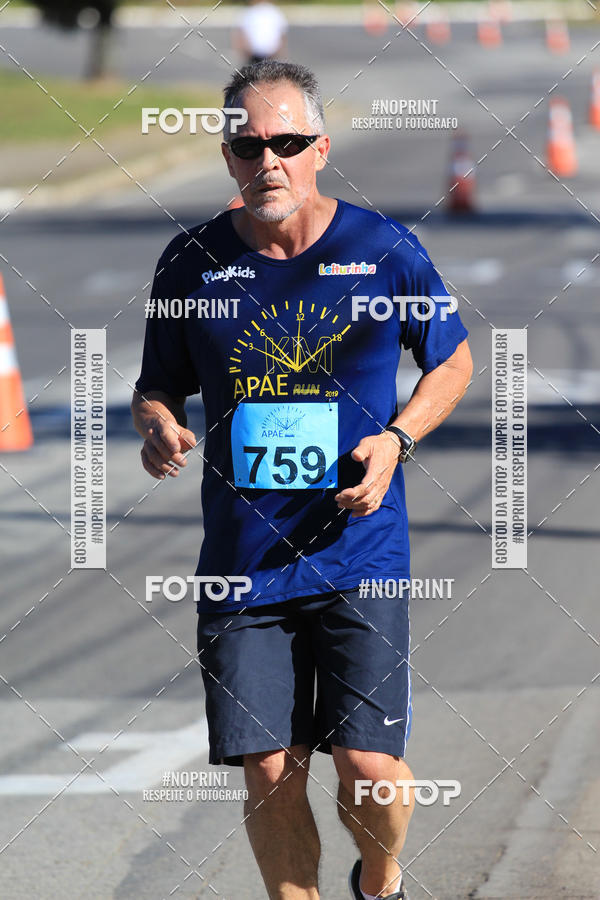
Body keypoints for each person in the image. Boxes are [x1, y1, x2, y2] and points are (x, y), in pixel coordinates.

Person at [132, 60, 472, 900]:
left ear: (320, 147)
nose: (267, 161)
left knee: (369, 767)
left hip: (358, 547)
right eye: (248, 146)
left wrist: (397, 439)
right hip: (244, 559)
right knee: (270, 767)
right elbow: (157, 385)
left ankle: (381, 877)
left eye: (285, 142)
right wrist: (157, 424)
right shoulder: (192, 266)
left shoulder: (383, 250)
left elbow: (453, 359)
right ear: (227, 156)